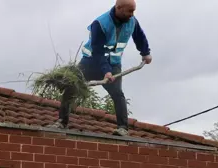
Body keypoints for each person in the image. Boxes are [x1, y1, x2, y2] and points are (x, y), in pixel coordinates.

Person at [47, 0, 152, 136]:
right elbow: (98, 51)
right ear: (118, 8)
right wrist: (106, 71)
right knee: (72, 87)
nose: (132, 14)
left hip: (114, 64)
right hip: (91, 62)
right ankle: (62, 122)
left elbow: (139, 36)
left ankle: (122, 128)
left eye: (134, 11)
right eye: (130, 11)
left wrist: (145, 52)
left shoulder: (132, 21)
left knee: (117, 93)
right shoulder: (100, 24)